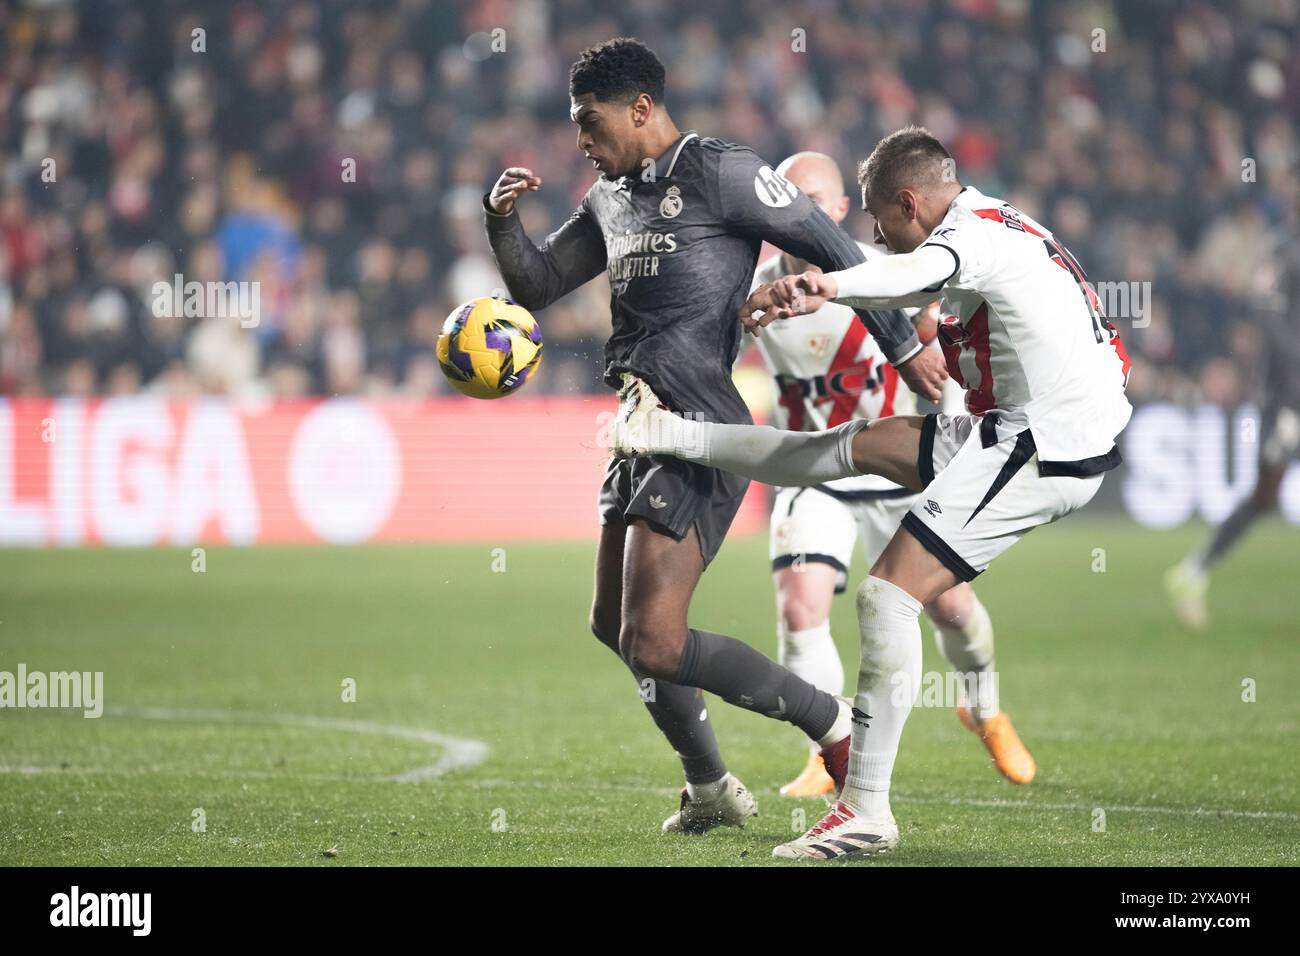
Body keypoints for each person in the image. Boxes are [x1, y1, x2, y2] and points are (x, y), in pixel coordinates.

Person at [611, 125, 1133, 858]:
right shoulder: (997, 222)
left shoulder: (968, 239)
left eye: (875, 217)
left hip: (1046, 441)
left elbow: (905, 276)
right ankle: (672, 438)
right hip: (1025, 426)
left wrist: (825, 282)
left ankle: (868, 810)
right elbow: (918, 278)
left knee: (887, 597)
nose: (870, 233)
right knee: (845, 450)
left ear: (908, 202)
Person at [483, 40, 948, 835]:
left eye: (590, 124)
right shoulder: (610, 197)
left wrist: (906, 349)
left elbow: (835, 250)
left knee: (655, 641)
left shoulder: (721, 171)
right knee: (613, 625)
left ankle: (832, 721)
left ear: (639, 109)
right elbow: (535, 285)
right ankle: (709, 788)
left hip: (699, 422)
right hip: (639, 427)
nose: (581, 143)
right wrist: (498, 220)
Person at [749, 151, 1032, 798]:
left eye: (815, 201)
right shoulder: (756, 287)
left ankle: (984, 708)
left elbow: (944, 355)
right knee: (800, 611)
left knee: (953, 606)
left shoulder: (885, 274)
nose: (802, 213)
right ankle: (830, 751)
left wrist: (957, 443)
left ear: (842, 210)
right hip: (814, 467)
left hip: (899, 464)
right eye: (788, 200)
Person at [1165, 239, 1300, 629]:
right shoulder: (1288, 252)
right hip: (1288, 396)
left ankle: (1192, 572)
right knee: (1266, 494)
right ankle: (1192, 571)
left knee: (1266, 496)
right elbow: (1266, 312)